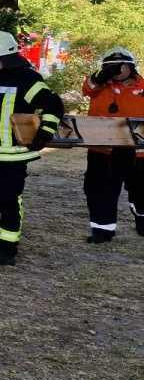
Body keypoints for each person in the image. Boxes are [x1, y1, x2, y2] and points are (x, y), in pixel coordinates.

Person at [0, 31, 64, 266]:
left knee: (8, 198)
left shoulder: (27, 78)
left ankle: (7, 248)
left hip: (13, 154)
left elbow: (53, 104)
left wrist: (45, 132)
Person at [81, 47, 144, 243]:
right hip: (103, 151)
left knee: (141, 191)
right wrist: (101, 76)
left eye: (117, 66)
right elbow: (87, 89)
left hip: (138, 153)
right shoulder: (99, 85)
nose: (114, 70)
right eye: (109, 66)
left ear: (129, 67)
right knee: (99, 190)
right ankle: (102, 231)